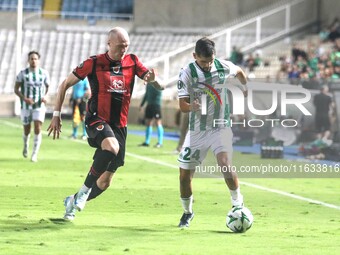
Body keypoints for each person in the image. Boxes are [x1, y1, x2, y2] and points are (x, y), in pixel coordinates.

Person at [47, 27, 164, 220]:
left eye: (126, 46)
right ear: (109, 44)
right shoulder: (94, 63)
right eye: (120, 46)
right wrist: (56, 114)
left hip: (120, 126)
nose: (123, 50)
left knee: (104, 182)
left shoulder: (132, 61)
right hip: (96, 119)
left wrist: (154, 81)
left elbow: (158, 85)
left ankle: (72, 201)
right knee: (111, 147)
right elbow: (64, 85)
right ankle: (84, 191)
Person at [176, 37, 248, 228]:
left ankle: (237, 204)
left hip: (220, 125)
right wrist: (192, 106)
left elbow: (240, 71)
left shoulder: (222, 66)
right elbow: (182, 105)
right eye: (203, 61)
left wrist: (245, 87)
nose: (207, 65)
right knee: (184, 176)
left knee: (224, 163)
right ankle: (187, 212)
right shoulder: (187, 73)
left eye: (210, 61)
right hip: (197, 130)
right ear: (194, 56)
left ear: (214, 56)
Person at [14, 51, 50, 162]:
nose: (33, 60)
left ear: (38, 60)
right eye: (31, 59)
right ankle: (25, 145)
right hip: (25, 106)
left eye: (35, 58)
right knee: (26, 129)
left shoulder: (43, 73)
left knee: (38, 128)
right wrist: (24, 98)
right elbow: (16, 89)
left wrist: (45, 96)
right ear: (28, 60)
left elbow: (48, 87)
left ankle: (34, 154)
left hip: (39, 106)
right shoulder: (22, 73)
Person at [139, 82, 164, 148]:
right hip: (149, 105)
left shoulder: (157, 83)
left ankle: (160, 142)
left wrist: (156, 84)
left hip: (156, 105)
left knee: (158, 122)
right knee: (148, 123)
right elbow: (146, 94)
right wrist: (142, 104)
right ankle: (147, 142)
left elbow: (161, 89)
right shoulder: (148, 84)